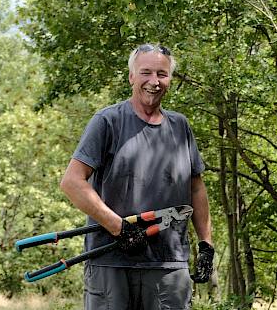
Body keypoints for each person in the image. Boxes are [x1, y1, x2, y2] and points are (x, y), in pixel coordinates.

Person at [60, 44, 214, 310]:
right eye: (146, 73)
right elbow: (72, 182)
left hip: (169, 264)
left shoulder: (180, 127)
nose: (154, 82)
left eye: (162, 74)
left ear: (170, 80)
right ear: (131, 76)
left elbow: (196, 189)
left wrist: (206, 244)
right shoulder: (107, 121)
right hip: (111, 261)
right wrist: (119, 228)